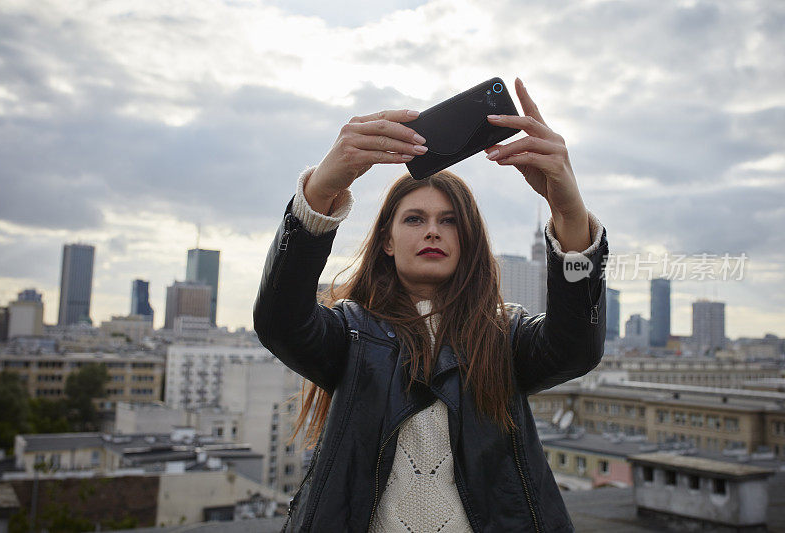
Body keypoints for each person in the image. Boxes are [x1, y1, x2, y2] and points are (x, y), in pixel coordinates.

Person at [253, 77, 609, 532]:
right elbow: (280, 321)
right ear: (386, 239)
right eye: (414, 219)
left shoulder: (504, 337)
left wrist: (570, 212)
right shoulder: (351, 336)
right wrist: (322, 190)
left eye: (449, 221)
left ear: (469, 240)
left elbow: (575, 347)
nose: (433, 231)